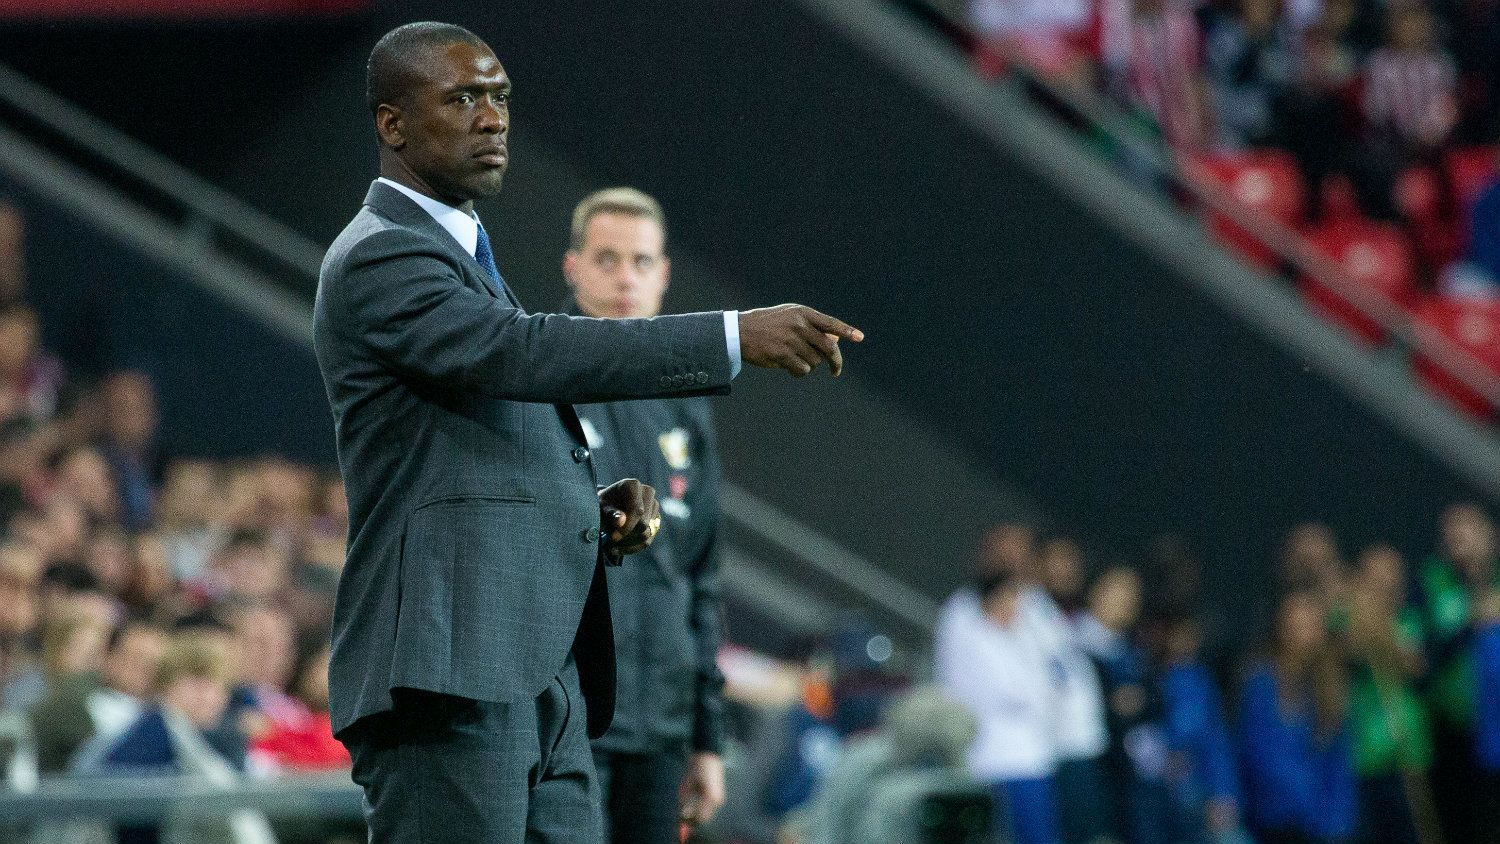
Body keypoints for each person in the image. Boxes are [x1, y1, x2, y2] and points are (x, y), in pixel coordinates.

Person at [312, 21, 864, 842]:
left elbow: (467, 454)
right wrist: (730, 335)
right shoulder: (380, 256)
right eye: (461, 99)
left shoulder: (462, 253)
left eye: (499, 96)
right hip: (449, 675)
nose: (492, 118)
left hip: (538, 674)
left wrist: (583, 507)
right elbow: (519, 352)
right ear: (392, 123)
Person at [561, 186, 729, 841]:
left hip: (661, 731)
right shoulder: (541, 384)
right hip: (566, 724)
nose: (625, 278)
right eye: (607, 259)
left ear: (663, 275)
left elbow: (701, 578)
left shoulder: (686, 405)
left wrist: (706, 738)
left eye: (641, 261)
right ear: (573, 267)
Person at [936, 567, 1060, 844]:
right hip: (993, 762)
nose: (1016, 608)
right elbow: (1013, 694)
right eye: (1008, 598)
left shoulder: (1019, 641)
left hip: (1029, 760)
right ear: (990, 601)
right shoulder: (971, 638)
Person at [1238, 591, 1356, 844]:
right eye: (1297, 626)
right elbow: (1258, 755)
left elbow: (1338, 767)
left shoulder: (1330, 688)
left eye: (1312, 626)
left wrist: (1335, 825)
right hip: (1274, 823)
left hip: (1321, 828)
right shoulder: (1262, 684)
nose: (1305, 635)